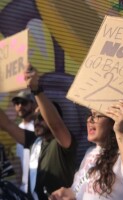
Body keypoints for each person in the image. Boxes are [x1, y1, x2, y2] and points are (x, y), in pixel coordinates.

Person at [49, 101, 123, 200]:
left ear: (113, 121)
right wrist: (68, 193)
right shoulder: (90, 153)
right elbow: (80, 190)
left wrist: (122, 132)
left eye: (96, 115)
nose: (89, 120)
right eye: (90, 115)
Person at [0, 68, 76, 200]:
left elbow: (56, 125)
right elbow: (7, 124)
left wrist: (36, 89)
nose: (36, 122)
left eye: (41, 118)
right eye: (35, 118)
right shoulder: (34, 141)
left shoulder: (63, 142)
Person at [11, 89, 36, 193]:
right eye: (17, 103)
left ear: (32, 104)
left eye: (24, 102)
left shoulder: (38, 128)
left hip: (35, 188)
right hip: (24, 188)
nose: (20, 106)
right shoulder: (19, 128)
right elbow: (21, 159)